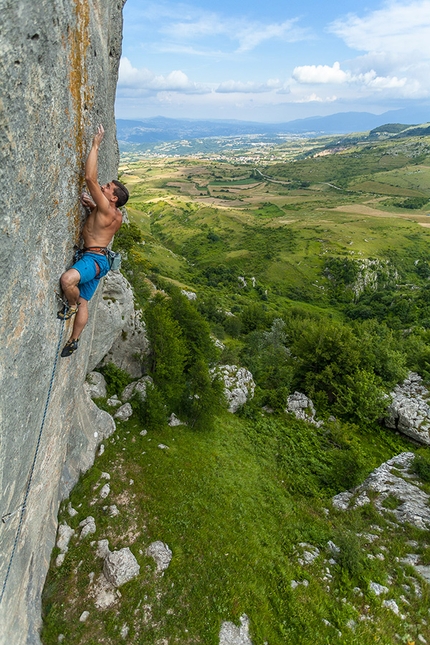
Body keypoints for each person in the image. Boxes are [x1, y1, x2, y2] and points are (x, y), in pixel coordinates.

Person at [58, 124, 129, 357]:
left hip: (93, 259)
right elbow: (101, 225)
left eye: (108, 188)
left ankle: (69, 305)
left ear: (114, 198)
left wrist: (96, 145)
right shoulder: (114, 215)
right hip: (102, 261)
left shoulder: (107, 208)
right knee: (85, 303)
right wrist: (92, 210)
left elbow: (89, 177)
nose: (104, 187)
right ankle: (74, 339)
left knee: (68, 281)